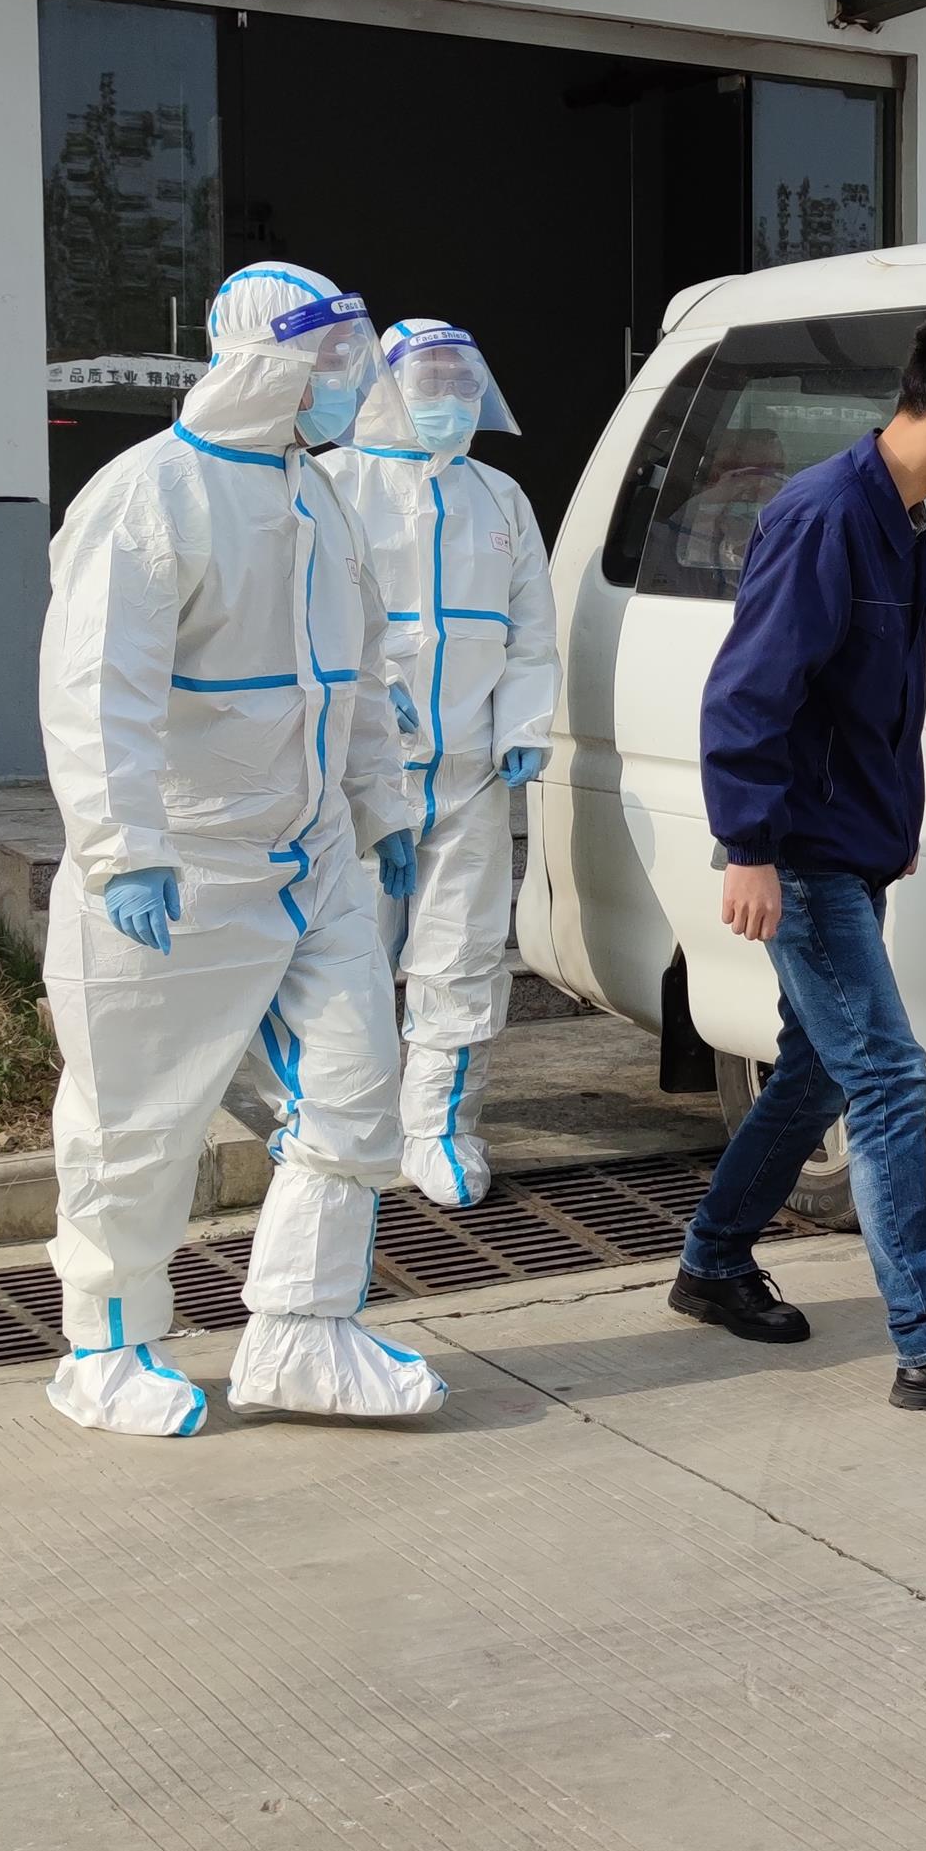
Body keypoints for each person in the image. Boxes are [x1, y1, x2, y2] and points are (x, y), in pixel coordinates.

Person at [33, 259, 447, 1438]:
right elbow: (96, 689)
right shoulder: (146, 496)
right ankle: (105, 1350)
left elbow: (356, 675)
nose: (350, 382)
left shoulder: (318, 498)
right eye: (333, 360)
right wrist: (123, 848)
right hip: (182, 868)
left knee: (358, 1091)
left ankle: (302, 1332)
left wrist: (381, 809)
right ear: (271, 362)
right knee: (136, 1124)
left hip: (310, 860)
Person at [669, 310, 926, 1413]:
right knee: (890, 1078)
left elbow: (864, 706)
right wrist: (749, 846)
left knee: (817, 1069)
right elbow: (749, 693)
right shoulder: (826, 517)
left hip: (846, 846)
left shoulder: (895, 519)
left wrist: (878, 834)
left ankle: (712, 1261)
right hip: (800, 850)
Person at [321, 319, 557, 1208]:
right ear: (385, 389)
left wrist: (523, 721)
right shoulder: (334, 483)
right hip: (362, 773)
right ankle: (342, 1124)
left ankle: (440, 1128)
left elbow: (531, 626)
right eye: (432, 383)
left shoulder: (499, 497)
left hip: (469, 772)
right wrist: (370, 697)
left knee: (460, 953)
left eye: (465, 383)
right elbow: (315, 614)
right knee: (346, 953)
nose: (451, 400)